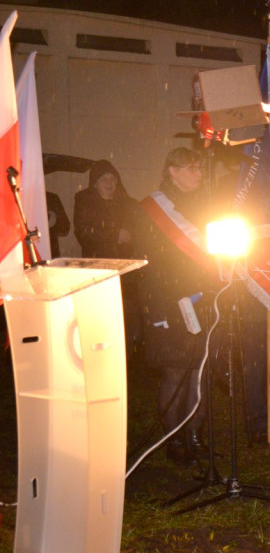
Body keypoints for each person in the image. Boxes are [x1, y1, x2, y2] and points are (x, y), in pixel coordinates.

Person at [133, 147, 217, 466]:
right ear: (173, 172)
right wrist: (156, 312)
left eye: (199, 168)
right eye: (191, 168)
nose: (198, 174)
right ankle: (174, 439)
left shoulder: (205, 205)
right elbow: (147, 266)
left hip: (202, 298)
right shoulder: (151, 210)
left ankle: (195, 435)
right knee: (174, 371)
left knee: (200, 371)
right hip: (167, 302)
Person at [73, 159, 136, 259]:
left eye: (112, 179)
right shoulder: (85, 201)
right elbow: (83, 233)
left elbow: (137, 229)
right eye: (104, 179)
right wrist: (115, 235)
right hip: (98, 261)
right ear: (95, 183)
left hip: (124, 261)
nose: (109, 183)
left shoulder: (127, 203)